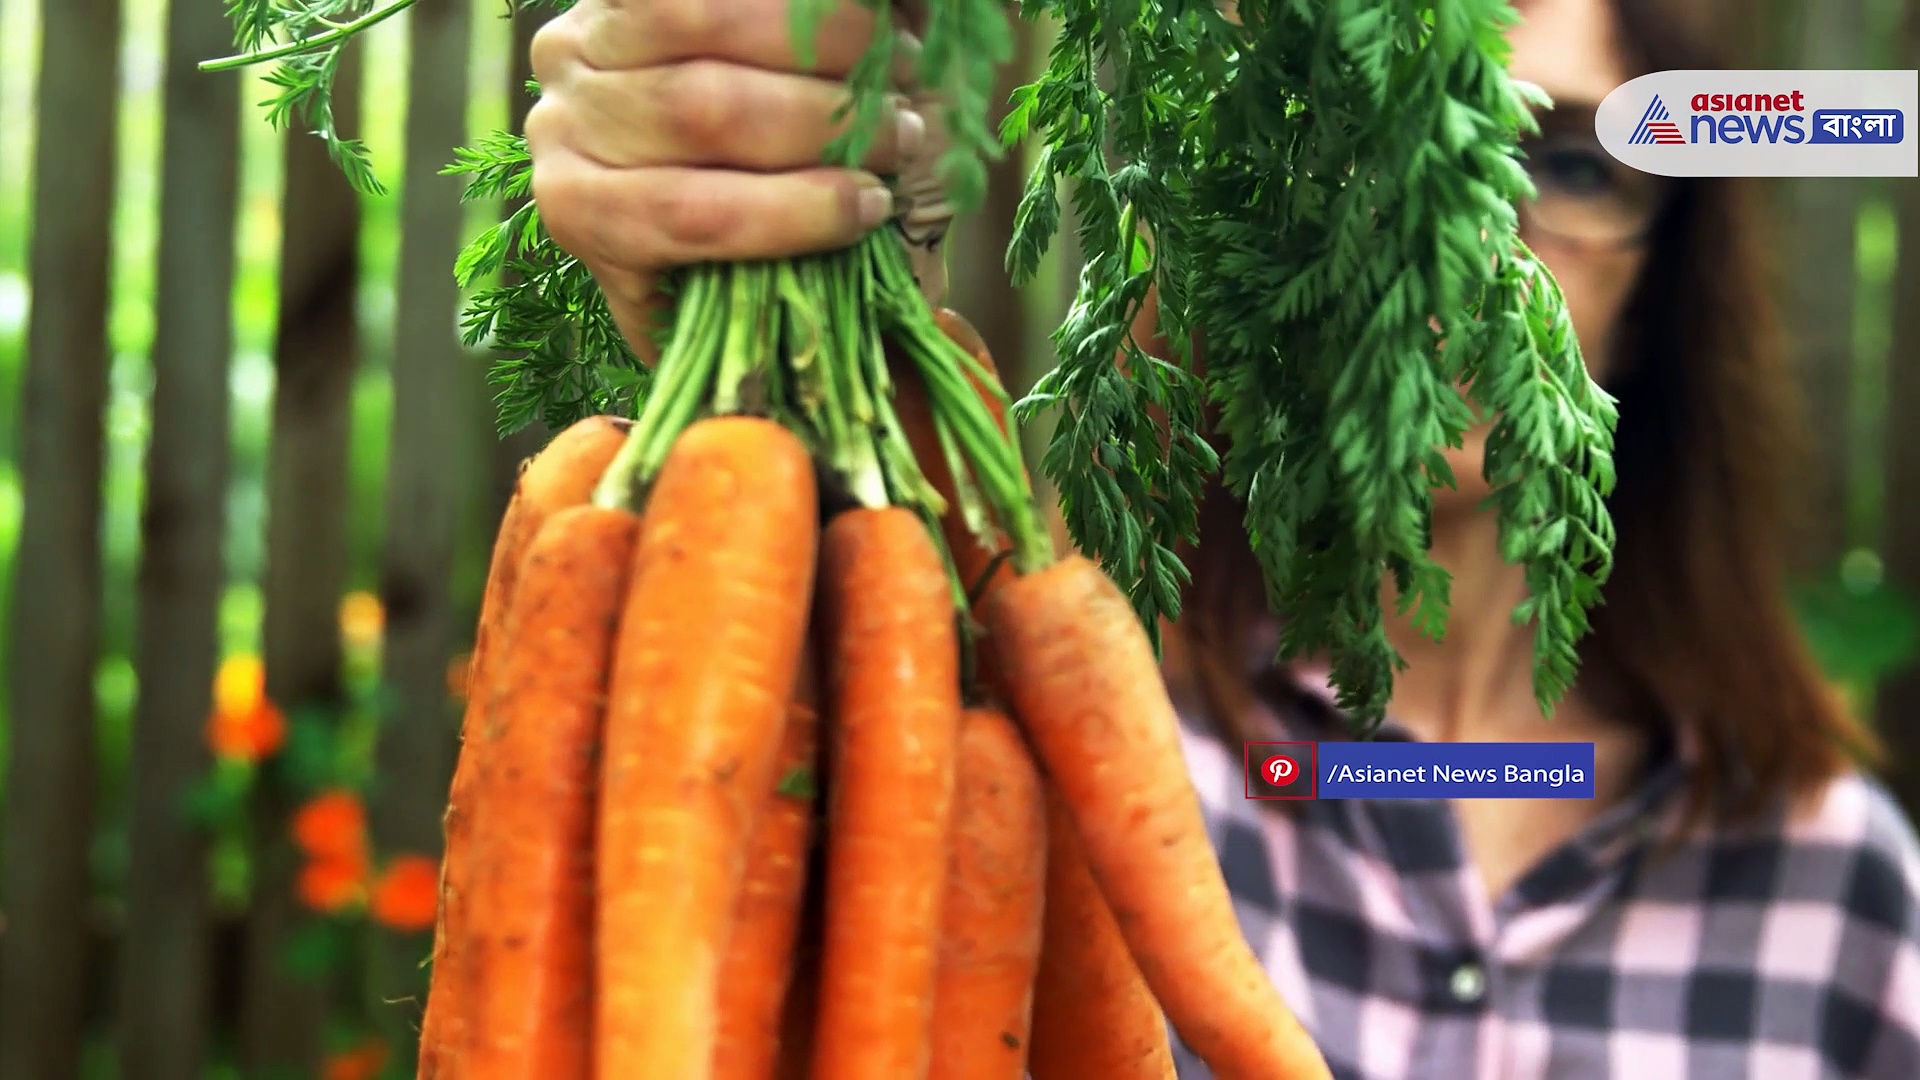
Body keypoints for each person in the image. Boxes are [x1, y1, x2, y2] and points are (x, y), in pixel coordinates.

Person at [524, 0, 1920, 1074]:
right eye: (1384, 142)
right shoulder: (1041, 748)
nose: (1468, 248)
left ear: (1667, 276)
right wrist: (768, 225)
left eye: (1563, 159)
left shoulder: (1834, 885)